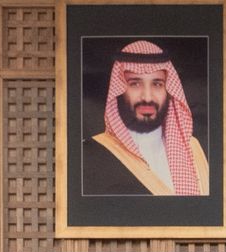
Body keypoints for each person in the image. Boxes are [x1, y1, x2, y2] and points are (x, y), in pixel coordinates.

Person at [82, 39, 210, 197]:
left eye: (157, 84)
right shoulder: (90, 155)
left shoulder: (195, 150)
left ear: (169, 91)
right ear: (119, 90)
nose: (147, 97)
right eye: (135, 84)